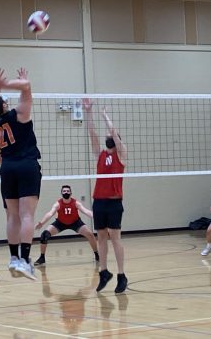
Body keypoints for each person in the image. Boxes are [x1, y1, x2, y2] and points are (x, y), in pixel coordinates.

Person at [0, 67, 42, 280]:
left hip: (6, 168)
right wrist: (6, 84)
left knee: (12, 215)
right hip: (26, 165)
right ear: (3, 102)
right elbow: (27, 87)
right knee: (27, 215)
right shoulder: (20, 114)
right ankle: (25, 261)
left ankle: (14, 258)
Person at [82, 98, 128, 293]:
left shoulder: (121, 155)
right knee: (101, 237)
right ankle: (104, 272)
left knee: (115, 238)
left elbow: (115, 135)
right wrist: (89, 112)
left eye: (112, 134)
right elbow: (92, 133)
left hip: (114, 203)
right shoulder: (100, 154)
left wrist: (105, 116)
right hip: (99, 202)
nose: (109, 135)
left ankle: (121, 275)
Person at [33, 185, 99, 266]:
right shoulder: (58, 204)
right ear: (61, 193)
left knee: (90, 234)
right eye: (64, 191)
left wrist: (96, 216)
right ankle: (42, 258)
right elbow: (50, 213)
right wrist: (41, 223)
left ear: (71, 193)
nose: (66, 193)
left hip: (75, 223)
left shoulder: (76, 203)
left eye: (68, 191)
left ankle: (97, 255)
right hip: (60, 223)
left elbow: (86, 211)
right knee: (44, 235)